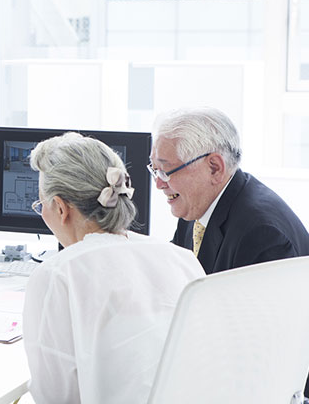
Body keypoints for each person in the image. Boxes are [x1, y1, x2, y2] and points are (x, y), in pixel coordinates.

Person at [23, 132, 204, 404]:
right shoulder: (180, 258)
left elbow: (55, 396)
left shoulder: (58, 275)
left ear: (61, 208)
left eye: (41, 206)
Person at [149, 107, 309, 274]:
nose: (158, 184)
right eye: (154, 170)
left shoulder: (262, 234)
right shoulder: (196, 206)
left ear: (215, 168)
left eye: (165, 171)